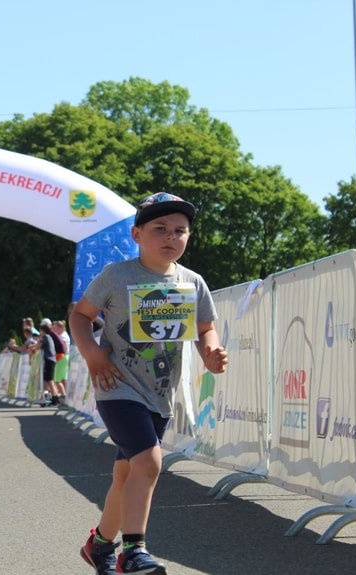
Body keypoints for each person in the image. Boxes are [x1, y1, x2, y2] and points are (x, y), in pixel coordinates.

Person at [70, 192, 228, 575]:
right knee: (149, 461)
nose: (170, 237)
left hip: (159, 393)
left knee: (127, 474)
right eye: (160, 229)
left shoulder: (193, 282)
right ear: (137, 234)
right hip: (117, 386)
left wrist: (211, 352)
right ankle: (133, 551)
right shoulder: (117, 275)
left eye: (179, 230)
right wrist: (93, 354)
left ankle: (100, 545)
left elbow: (204, 328)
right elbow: (80, 316)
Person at [52, 319, 71, 404]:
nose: (53, 330)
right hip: (64, 357)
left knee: (57, 380)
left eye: (55, 328)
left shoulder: (63, 336)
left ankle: (63, 396)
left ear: (60, 328)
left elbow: (64, 348)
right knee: (63, 379)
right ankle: (65, 397)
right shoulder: (63, 335)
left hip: (61, 357)